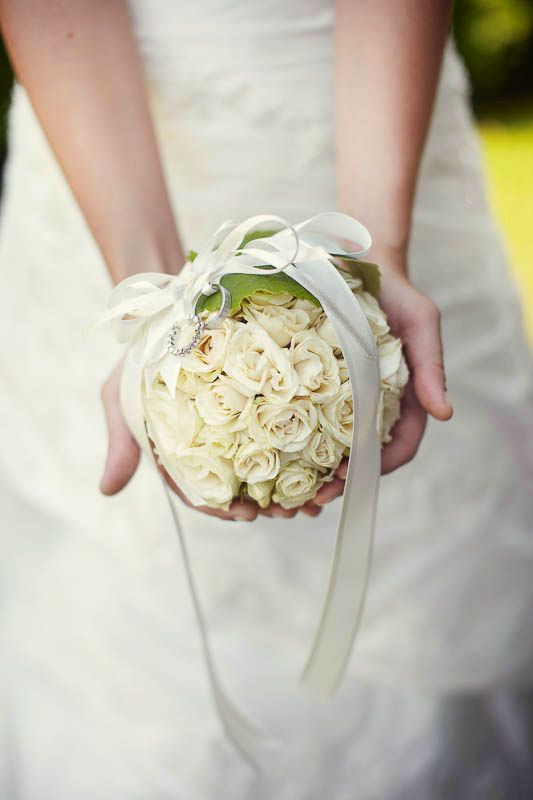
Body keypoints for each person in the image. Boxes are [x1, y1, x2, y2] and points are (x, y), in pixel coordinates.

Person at [0, 1, 531, 798]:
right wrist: (149, 312)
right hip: (95, 137)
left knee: (434, 604)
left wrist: (374, 257)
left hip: (381, 115)